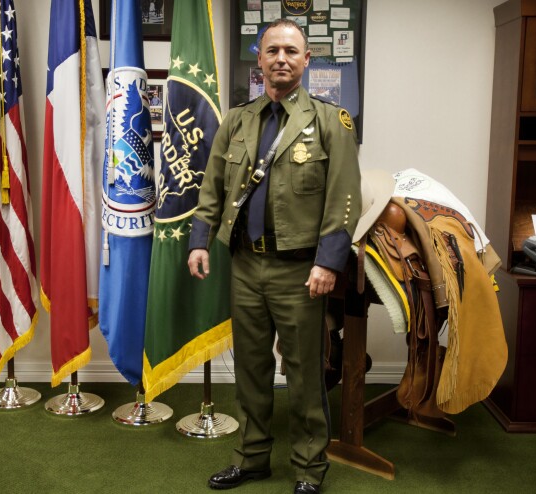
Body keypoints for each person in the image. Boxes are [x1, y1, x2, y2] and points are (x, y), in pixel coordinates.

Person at [187, 18, 362, 494]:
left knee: (304, 375)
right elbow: (213, 187)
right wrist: (199, 240)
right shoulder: (238, 120)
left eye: (291, 51)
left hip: (300, 270)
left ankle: (308, 470)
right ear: (259, 60)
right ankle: (252, 458)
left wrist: (328, 262)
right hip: (245, 265)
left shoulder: (330, 121)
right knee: (250, 369)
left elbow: (344, 198)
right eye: (272, 51)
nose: (281, 59)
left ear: (307, 61)